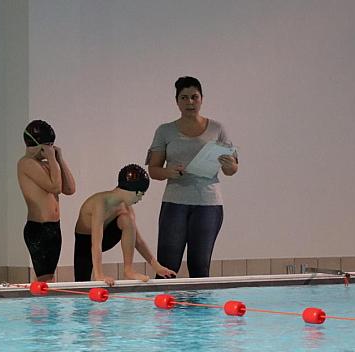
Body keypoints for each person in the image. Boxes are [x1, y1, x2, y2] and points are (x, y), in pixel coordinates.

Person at [146, 76, 238, 278]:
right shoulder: (165, 131)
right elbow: (153, 170)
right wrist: (168, 172)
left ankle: (199, 310)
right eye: (184, 98)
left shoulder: (217, 128)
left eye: (194, 97)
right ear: (177, 101)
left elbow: (231, 169)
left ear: (202, 99)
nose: (189, 102)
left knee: (200, 266)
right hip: (175, 202)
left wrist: (231, 165)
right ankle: (166, 309)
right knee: (167, 267)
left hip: (208, 203)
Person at [74, 164, 176, 286]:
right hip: (84, 242)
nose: (140, 199)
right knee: (81, 285)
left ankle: (128, 270)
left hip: (106, 238)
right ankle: (96, 276)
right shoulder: (100, 202)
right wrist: (99, 275)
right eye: (140, 194)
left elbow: (137, 240)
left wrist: (157, 266)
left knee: (127, 219)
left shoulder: (126, 207)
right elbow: (96, 242)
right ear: (130, 190)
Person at [18, 120, 76, 282]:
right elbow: (55, 187)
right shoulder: (26, 163)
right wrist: (51, 159)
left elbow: (70, 189)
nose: (51, 149)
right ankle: (36, 307)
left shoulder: (46, 165)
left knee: (48, 280)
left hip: (53, 228)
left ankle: (41, 307)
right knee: (46, 281)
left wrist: (60, 160)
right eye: (48, 145)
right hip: (39, 230)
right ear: (37, 145)